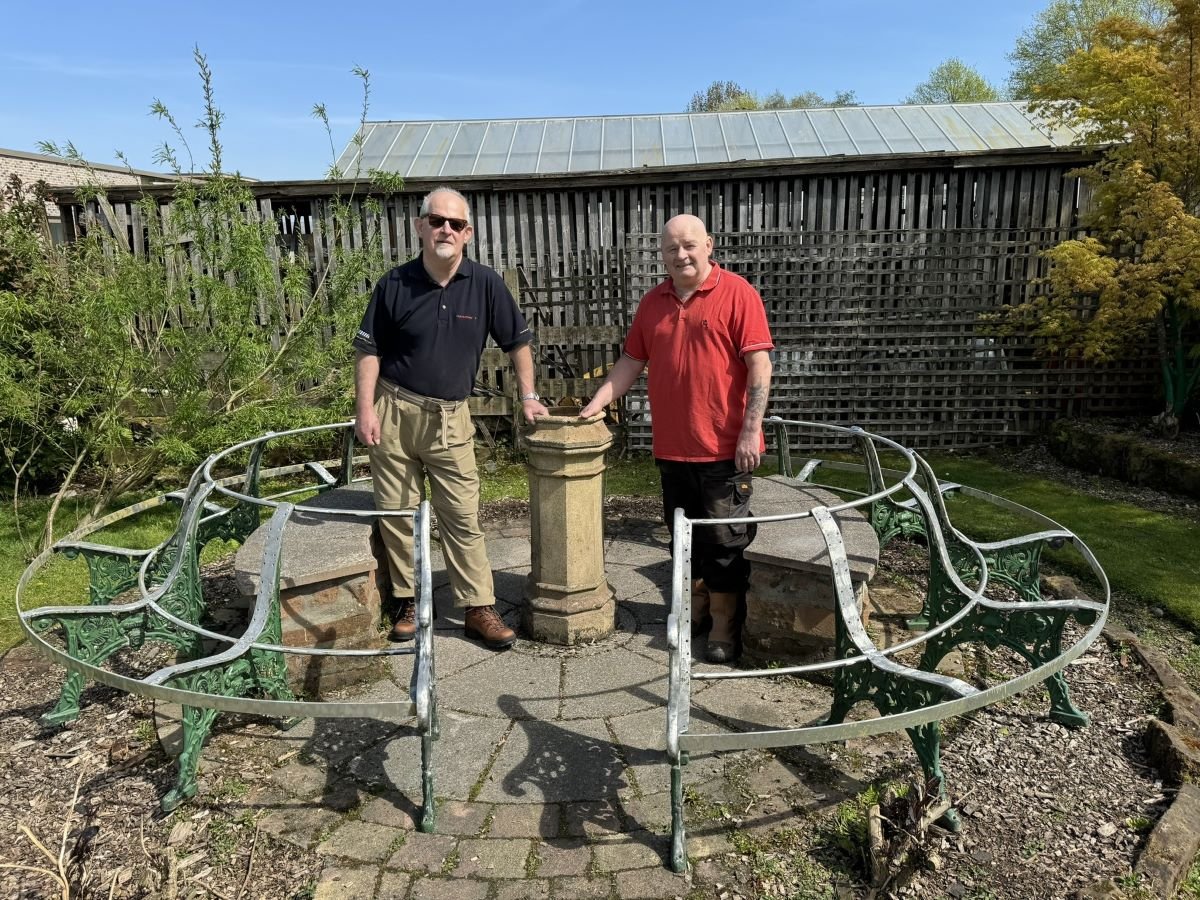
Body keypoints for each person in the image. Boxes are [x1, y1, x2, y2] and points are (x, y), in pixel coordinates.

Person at [354, 187, 549, 649]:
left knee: (462, 514)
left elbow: (517, 342)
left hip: (450, 418)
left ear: (468, 234)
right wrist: (364, 409)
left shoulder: (485, 284)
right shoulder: (393, 285)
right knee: (398, 513)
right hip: (394, 411)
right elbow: (368, 350)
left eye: (456, 224)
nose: (446, 230)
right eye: (437, 221)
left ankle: (477, 606)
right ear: (420, 226)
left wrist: (529, 395)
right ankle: (406, 599)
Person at [580, 215, 773, 662]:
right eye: (671, 249)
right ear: (662, 255)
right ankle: (697, 610)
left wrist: (750, 430)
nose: (681, 255)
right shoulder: (653, 303)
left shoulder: (738, 294)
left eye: (689, 245)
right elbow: (630, 363)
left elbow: (760, 367)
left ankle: (725, 625)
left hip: (725, 449)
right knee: (682, 537)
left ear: (708, 245)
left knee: (724, 541)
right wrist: (594, 405)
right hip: (672, 448)